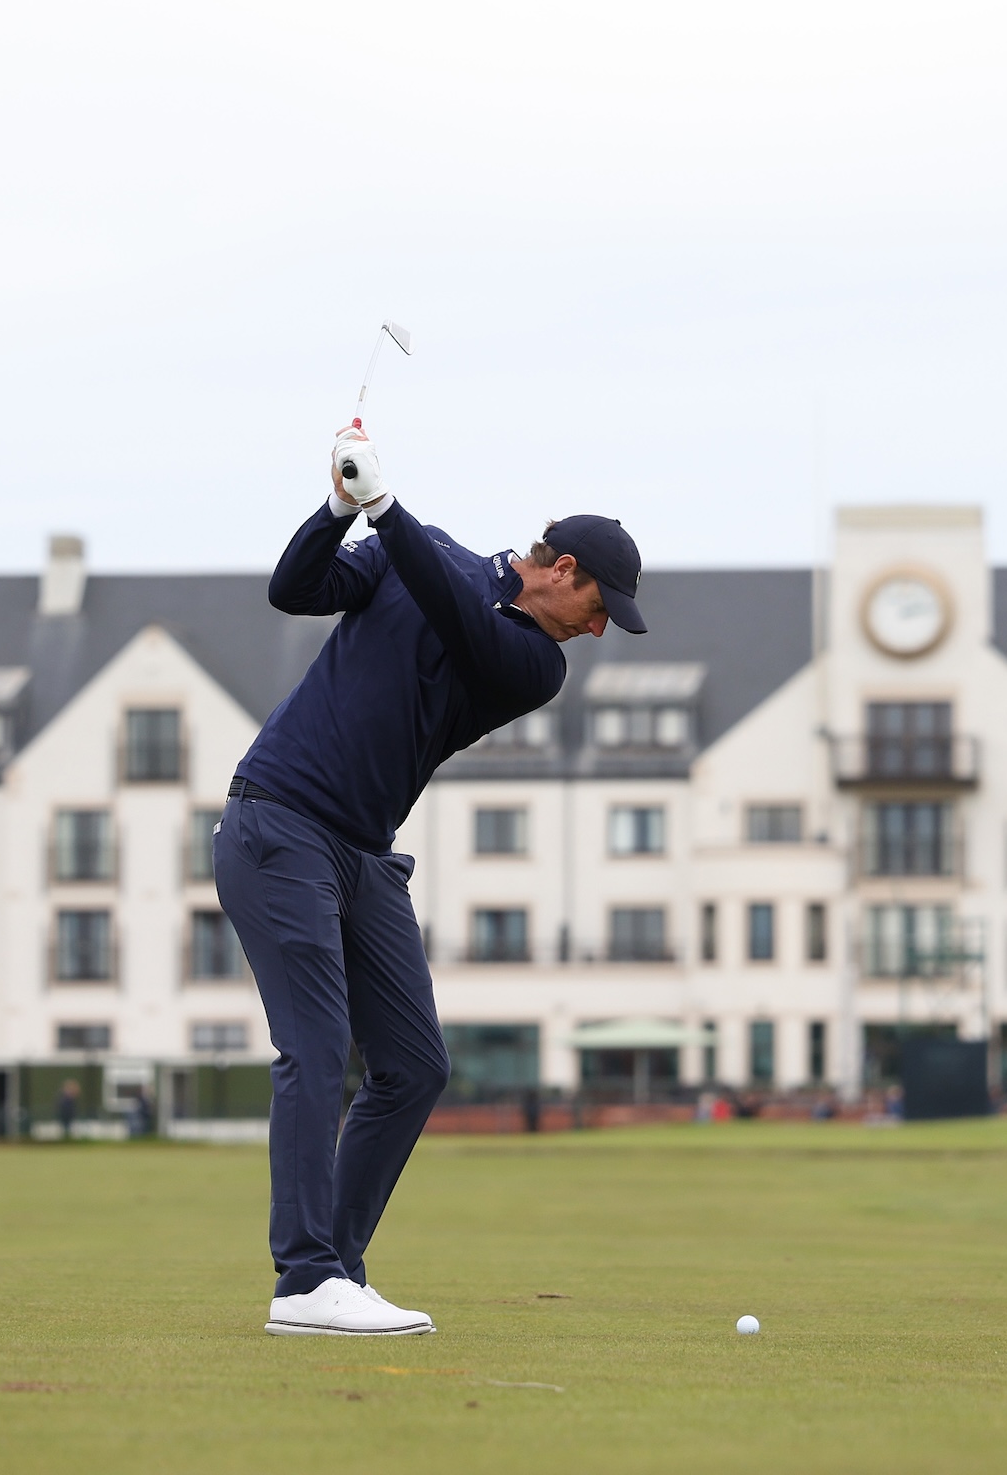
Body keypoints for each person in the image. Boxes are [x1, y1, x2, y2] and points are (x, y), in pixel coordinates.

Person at [214, 418, 643, 1339]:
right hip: (278, 823)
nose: (603, 627)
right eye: (604, 605)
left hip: (362, 854)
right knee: (319, 1047)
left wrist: (385, 508)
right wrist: (338, 509)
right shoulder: (424, 551)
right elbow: (296, 591)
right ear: (562, 568)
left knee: (413, 1065)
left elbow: (458, 614)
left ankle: (338, 1268)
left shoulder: (538, 665)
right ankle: (305, 1279)